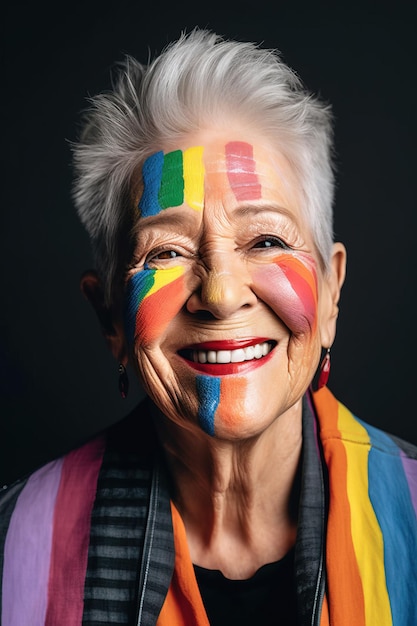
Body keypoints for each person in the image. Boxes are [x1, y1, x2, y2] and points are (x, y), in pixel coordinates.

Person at [0, 28, 416, 626]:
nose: (220, 295)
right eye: (165, 252)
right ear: (110, 318)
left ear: (330, 295)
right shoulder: (13, 549)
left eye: (267, 240)